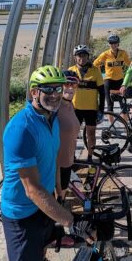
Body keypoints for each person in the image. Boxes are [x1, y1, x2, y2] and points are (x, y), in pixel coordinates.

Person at [0, 65, 93, 261]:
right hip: (21, 217)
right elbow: (32, 189)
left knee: (42, 252)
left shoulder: (50, 119)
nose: (55, 94)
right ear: (33, 93)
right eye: (47, 90)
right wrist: (70, 220)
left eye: (58, 89)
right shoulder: (21, 129)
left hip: (41, 209)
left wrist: (60, 191)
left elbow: (50, 160)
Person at [68, 44, 105, 160]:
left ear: (88, 57)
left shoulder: (95, 71)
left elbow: (102, 92)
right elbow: (65, 91)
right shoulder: (71, 71)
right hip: (75, 108)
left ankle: (90, 157)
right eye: (79, 56)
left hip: (91, 108)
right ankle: (72, 158)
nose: (81, 58)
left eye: (84, 56)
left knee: (91, 135)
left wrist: (101, 109)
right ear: (75, 57)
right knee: (73, 135)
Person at [56, 70, 81, 204]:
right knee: (57, 200)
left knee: (62, 198)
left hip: (68, 160)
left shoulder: (70, 105)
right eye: (67, 83)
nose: (70, 87)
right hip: (57, 163)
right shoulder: (55, 108)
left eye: (74, 84)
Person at [93, 34, 130, 120]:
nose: (113, 45)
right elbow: (95, 64)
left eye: (115, 43)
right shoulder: (105, 54)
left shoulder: (123, 53)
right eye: (111, 43)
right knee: (110, 105)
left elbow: (130, 64)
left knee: (123, 104)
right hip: (108, 81)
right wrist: (99, 75)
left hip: (120, 81)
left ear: (118, 44)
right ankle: (111, 128)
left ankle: (126, 126)